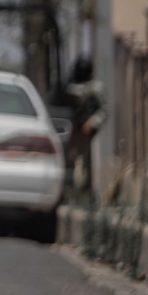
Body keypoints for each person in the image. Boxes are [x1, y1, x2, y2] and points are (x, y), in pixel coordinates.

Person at [65, 56, 106, 205]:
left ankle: (86, 199)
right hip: (71, 130)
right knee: (70, 163)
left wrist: (92, 122)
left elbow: (104, 110)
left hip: (87, 132)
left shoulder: (95, 88)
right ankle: (70, 197)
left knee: (86, 166)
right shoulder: (70, 87)